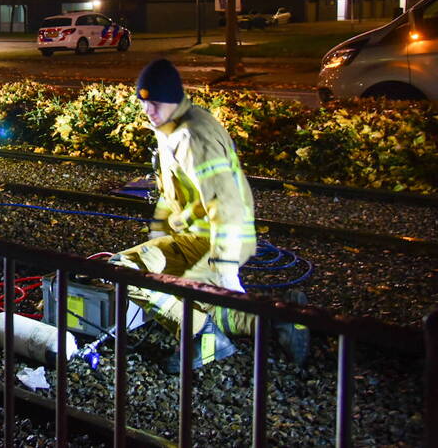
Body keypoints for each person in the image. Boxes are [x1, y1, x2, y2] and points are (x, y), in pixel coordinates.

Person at [110, 58, 308, 372]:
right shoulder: (175, 126)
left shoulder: (190, 138)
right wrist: (161, 231)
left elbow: (224, 203)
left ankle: (203, 337)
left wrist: (224, 267)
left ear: (173, 100)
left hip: (214, 240)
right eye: (144, 103)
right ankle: (280, 320)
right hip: (201, 236)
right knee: (202, 300)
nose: (148, 111)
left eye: (155, 104)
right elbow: (176, 191)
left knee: (125, 271)